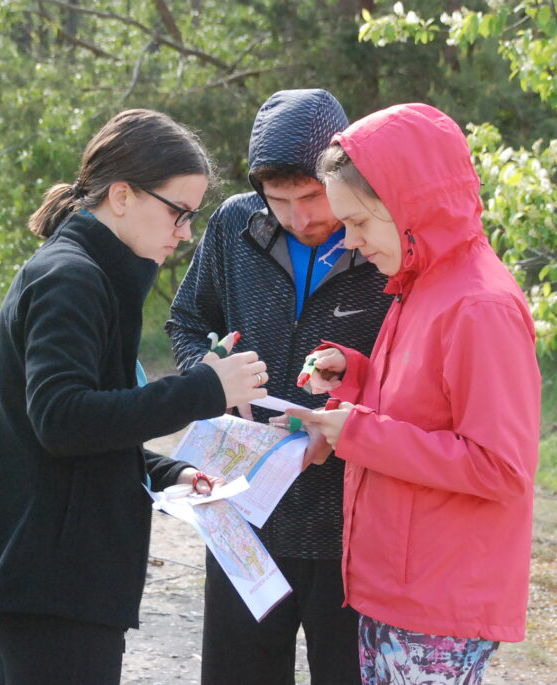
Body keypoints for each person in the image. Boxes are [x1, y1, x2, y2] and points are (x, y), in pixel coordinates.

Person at [0, 109, 269, 685]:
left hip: (63, 579)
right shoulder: (72, 277)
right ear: (121, 195)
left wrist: (169, 474)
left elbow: (82, 431)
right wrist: (205, 388)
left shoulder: (96, 275)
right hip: (50, 581)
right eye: (179, 212)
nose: (185, 232)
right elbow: (61, 420)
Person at [280, 103, 541, 685]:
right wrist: (350, 373)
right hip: (403, 589)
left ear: (411, 203)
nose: (348, 242)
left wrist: (358, 434)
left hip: (438, 599)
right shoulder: (424, 281)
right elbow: (426, 404)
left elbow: (500, 466)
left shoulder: (479, 306)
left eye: (360, 223)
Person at [167, 89, 390, 684]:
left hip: (349, 526)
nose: (301, 218)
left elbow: (411, 372)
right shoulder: (234, 224)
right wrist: (213, 379)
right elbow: (188, 320)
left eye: (314, 197)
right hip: (243, 512)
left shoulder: (382, 240)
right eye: (281, 201)